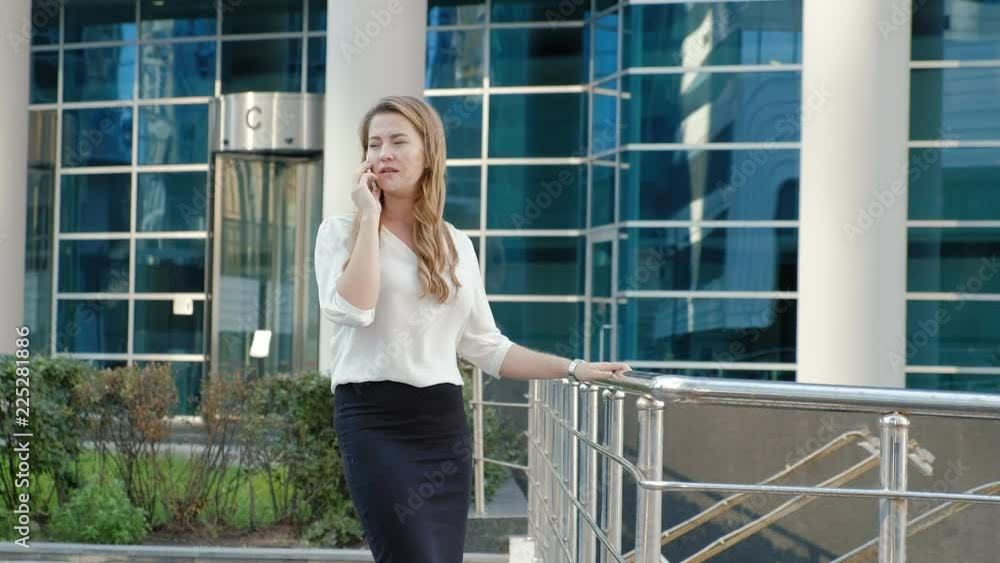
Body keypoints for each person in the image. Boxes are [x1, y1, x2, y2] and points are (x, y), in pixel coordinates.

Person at [313, 95, 630, 563]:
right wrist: (370, 218)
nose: (384, 154)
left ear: (429, 154)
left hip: (441, 424)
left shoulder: (456, 244)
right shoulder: (341, 232)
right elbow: (354, 309)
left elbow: (488, 347)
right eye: (374, 144)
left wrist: (574, 368)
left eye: (398, 141)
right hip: (373, 420)